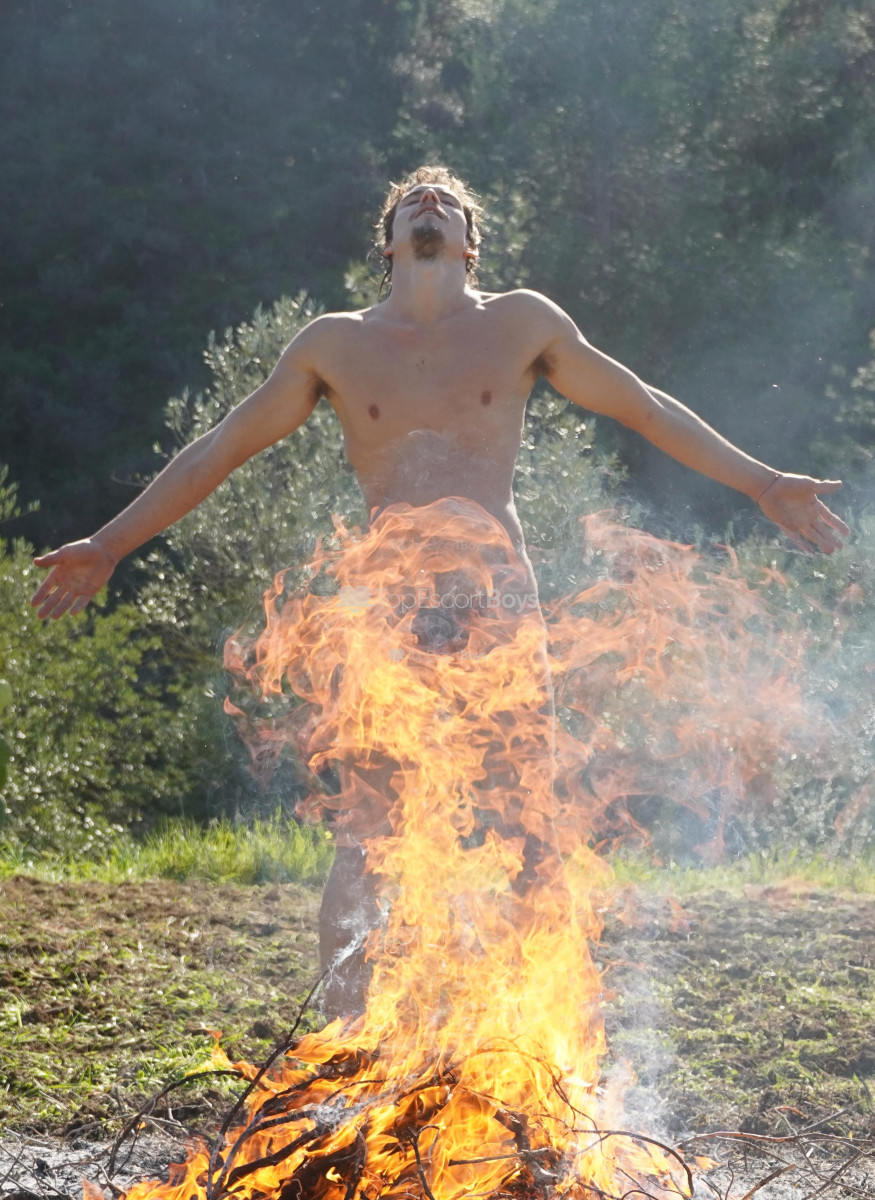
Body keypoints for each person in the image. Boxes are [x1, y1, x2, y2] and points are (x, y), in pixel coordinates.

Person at [30, 165, 849, 1016]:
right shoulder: (332, 344)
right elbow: (221, 447)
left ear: (469, 242)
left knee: (529, 828)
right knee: (367, 832)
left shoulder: (521, 322)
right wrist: (109, 543)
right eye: (409, 201)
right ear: (387, 244)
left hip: (496, 605)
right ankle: (344, 1034)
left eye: (446, 201)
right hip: (388, 613)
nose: (427, 202)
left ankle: (542, 1030)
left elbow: (643, 407)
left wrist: (761, 483)